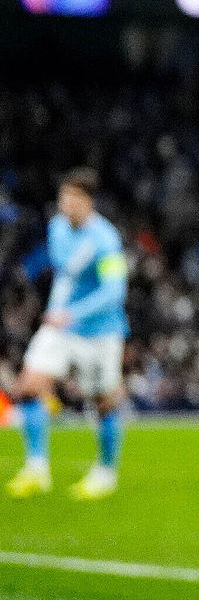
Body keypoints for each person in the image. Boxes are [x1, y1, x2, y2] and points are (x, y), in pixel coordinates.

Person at [6, 168, 128, 500]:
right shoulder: (57, 227)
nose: (67, 203)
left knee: (104, 402)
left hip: (100, 331)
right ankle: (37, 468)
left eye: (74, 197)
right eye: (64, 196)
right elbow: (65, 274)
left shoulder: (106, 240)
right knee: (28, 386)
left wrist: (73, 312)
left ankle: (105, 472)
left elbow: (114, 292)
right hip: (60, 328)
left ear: (89, 202)